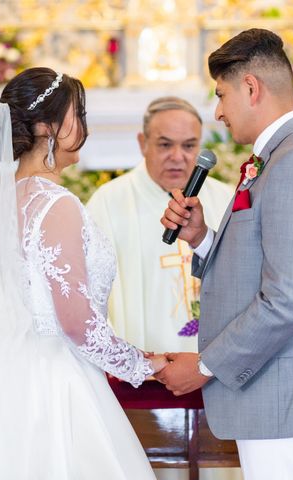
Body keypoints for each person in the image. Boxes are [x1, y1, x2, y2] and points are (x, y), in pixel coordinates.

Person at [0, 67, 167, 479]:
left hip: (5, 381)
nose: (85, 126)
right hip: (57, 386)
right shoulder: (56, 205)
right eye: (78, 114)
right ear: (46, 126)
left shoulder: (7, 200)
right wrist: (143, 365)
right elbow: (75, 322)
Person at [157, 29, 293, 480]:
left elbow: (287, 299)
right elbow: (260, 269)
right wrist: (202, 237)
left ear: (251, 87)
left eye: (222, 95)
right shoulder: (281, 157)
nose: (219, 111)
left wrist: (205, 367)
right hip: (276, 396)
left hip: (286, 399)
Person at [87, 97, 233, 354]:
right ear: (143, 143)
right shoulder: (108, 202)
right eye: (165, 145)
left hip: (211, 368)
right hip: (140, 368)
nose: (178, 157)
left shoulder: (226, 199)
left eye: (189, 146)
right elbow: (89, 290)